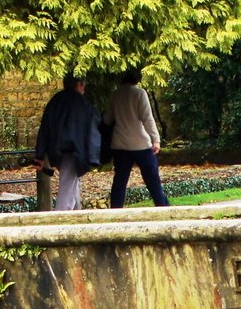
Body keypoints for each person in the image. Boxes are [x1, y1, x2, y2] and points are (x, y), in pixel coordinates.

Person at [35, 74, 101, 211]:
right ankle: (61, 222)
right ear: (79, 84)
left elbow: (45, 128)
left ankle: (77, 217)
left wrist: (40, 155)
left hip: (57, 150)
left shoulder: (55, 101)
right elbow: (93, 128)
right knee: (67, 186)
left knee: (72, 183)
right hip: (74, 150)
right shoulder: (82, 103)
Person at [103, 71, 169, 208]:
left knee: (120, 181)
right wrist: (156, 139)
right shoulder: (140, 93)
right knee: (152, 179)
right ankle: (162, 206)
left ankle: (115, 210)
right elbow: (147, 118)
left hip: (120, 143)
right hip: (141, 144)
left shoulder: (115, 95)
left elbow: (107, 119)